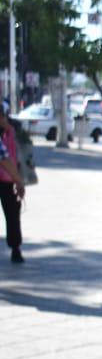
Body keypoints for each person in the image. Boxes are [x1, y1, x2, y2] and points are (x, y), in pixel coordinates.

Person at [0, 103, 26, 264]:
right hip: (9, 176)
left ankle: (15, 247)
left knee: (12, 213)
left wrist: (18, 180)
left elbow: (13, 157)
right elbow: (5, 159)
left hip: (7, 180)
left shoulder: (13, 131)